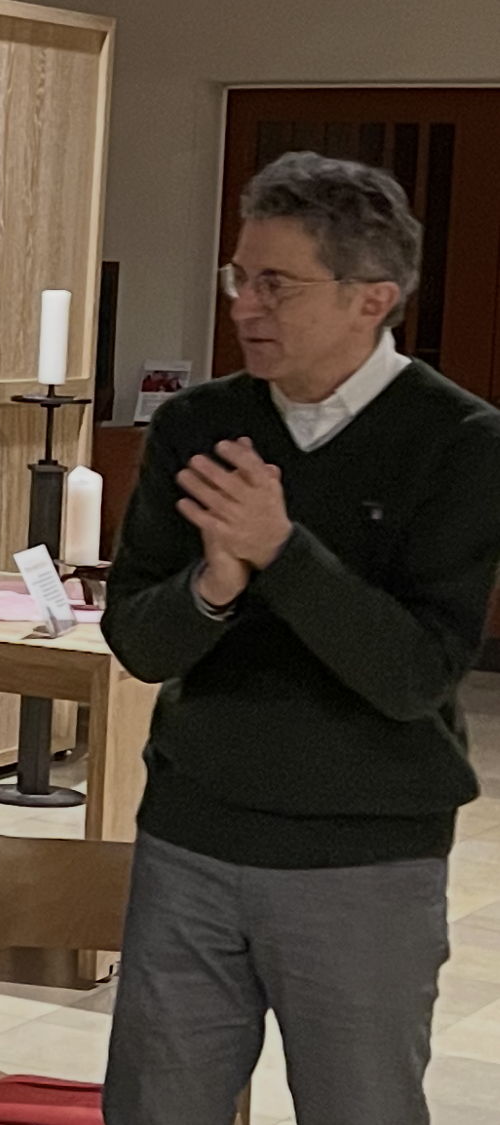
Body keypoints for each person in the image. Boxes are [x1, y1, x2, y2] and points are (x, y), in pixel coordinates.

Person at [101, 152, 500, 1125]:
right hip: (192, 838)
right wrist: (215, 583)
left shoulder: (459, 441)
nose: (246, 305)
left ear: (373, 298)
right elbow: (141, 643)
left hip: (365, 861)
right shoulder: (199, 424)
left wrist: (281, 550)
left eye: (276, 283)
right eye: (240, 276)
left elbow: (415, 674)